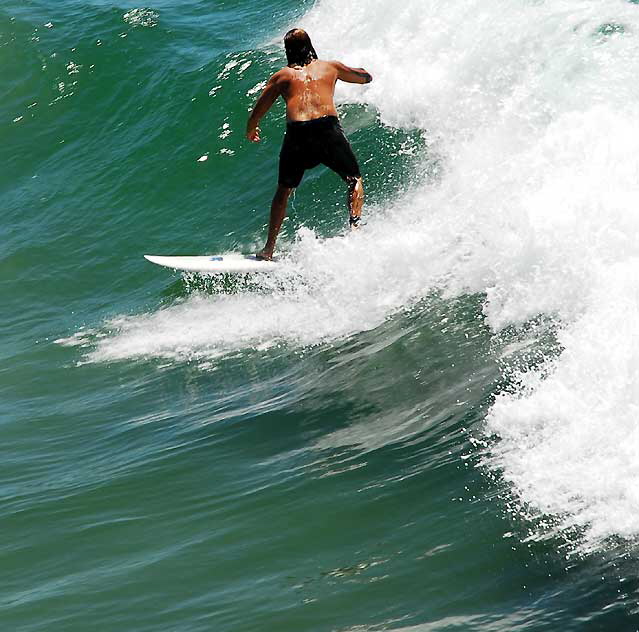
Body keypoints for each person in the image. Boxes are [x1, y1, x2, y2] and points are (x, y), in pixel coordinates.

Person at [246, 28, 372, 260]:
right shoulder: (330, 67)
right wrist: (365, 73)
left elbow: (261, 107)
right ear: (310, 46)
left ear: (288, 51)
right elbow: (363, 77)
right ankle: (355, 229)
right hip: (327, 130)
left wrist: (252, 126)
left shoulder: (282, 76)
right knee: (354, 179)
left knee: (283, 191)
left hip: (298, 134)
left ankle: (268, 250)